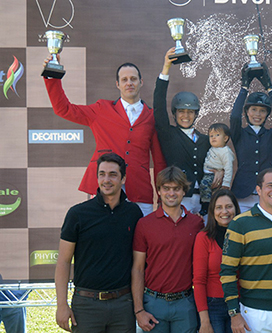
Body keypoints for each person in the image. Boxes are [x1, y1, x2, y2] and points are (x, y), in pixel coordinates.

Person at [43, 56, 166, 216]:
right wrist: (53, 76)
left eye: (133, 79)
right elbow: (63, 109)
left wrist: (162, 196)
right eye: (124, 79)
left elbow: (159, 161)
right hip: (104, 187)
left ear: (141, 82)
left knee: (140, 239)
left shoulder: (152, 116)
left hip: (139, 189)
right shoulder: (101, 109)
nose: (129, 83)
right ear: (118, 84)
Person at [55, 153, 143, 332]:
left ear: (123, 178)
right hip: (86, 305)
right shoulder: (77, 214)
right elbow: (63, 261)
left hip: (123, 304)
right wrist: (61, 305)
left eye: (112, 174)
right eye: (102, 174)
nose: (106, 179)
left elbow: (139, 264)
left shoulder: (134, 213)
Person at [220, 168, 272, 333]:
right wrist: (234, 313)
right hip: (255, 314)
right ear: (258, 190)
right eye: (270, 185)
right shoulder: (239, 224)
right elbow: (227, 271)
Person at [132, 166, 204, 332]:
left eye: (176, 189)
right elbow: (138, 269)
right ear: (159, 191)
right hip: (153, 303)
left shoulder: (197, 223)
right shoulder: (144, 224)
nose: (171, 193)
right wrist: (139, 310)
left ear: (183, 191)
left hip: (185, 303)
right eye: (166, 188)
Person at [154, 48, 214, 214]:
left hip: (204, 202)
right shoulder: (168, 134)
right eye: (181, 111)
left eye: (190, 112)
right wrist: (166, 68)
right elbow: (158, 105)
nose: (186, 116)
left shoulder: (205, 139)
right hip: (180, 200)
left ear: (196, 114)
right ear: (174, 113)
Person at [230, 62, 272, 213]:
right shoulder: (239, 134)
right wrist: (244, 88)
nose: (257, 114)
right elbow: (234, 116)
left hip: (267, 195)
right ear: (247, 112)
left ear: (267, 115)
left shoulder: (271, 136)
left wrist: (270, 88)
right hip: (242, 195)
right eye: (253, 109)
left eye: (262, 111)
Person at [193, 189, 241, 333]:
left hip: (240, 304)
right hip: (213, 305)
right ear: (212, 211)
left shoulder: (243, 236)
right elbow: (199, 281)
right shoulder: (204, 238)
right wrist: (204, 321)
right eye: (219, 207)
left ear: (235, 209)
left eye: (229, 206)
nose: (224, 211)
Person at [199, 124, 235, 216]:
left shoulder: (225, 152)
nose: (213, 138)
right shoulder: (212, 148)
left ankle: (206, 205)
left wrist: (226, 183)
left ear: (225, 138)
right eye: (211, 136)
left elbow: (228, 168)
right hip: (206, 173)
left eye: (217, 135)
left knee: (204, 185)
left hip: (213, 175)